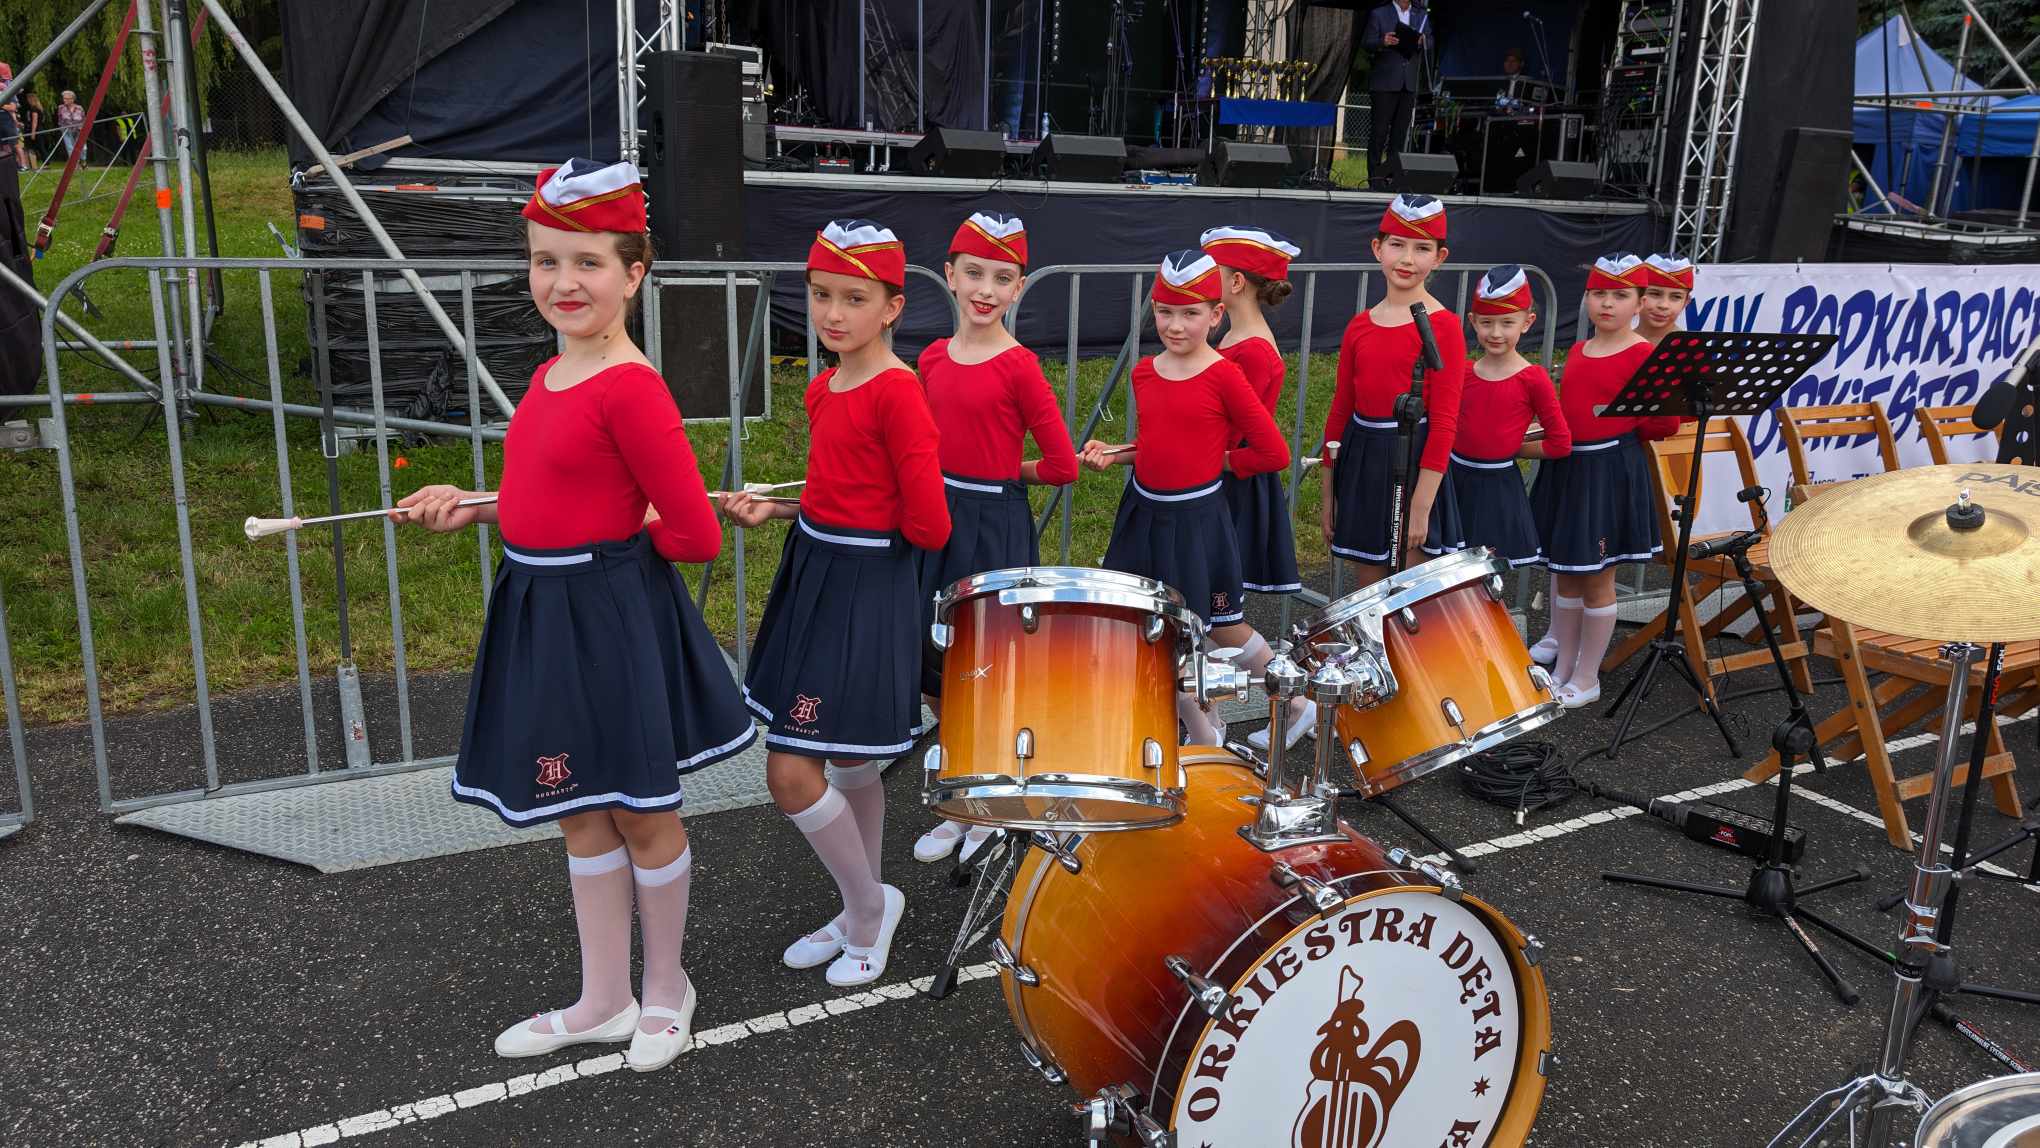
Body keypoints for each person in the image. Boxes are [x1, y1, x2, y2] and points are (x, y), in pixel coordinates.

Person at [395, 159, 758, 1072]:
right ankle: (603, 1000)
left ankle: (666, 989)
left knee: (640, 811)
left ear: (635, 274)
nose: (563, 282)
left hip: (609, 618)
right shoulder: (552, 371)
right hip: (542, 613)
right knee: (578, 811)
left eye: (588, 262)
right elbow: (543, 496)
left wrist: (626, 533)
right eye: (545, 260)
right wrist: (471, 507)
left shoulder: (631, 387)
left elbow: (696, 535)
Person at [719, 220, 949, 988]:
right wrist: (780, 510)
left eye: (855, 298)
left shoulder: (899, 393)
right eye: (821, 295)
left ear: (893, 307)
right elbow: (835, 496)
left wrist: (860, 532)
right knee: (848, 756)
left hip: (866, 587)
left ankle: (871, 906)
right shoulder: (824, 387)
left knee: (790, 772)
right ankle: (859, 910)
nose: (832, 313)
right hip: (815, 572)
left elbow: (930, 524)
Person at [909, 210, 1077, 864]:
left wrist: (1005, 472)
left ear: (1018, 288)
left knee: (987, 668)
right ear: (949, 275)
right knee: (934, 666)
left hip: (992, 529)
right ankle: (962, 790)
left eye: (1001, 278)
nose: (985, 289)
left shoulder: (1020, 367)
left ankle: (992, 801)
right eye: (973, 273)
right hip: (935, 522)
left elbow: (1061, 465)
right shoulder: (930, 358)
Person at [1078, 249, 1290, 747]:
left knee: (1208, 629)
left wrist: (1213, 461)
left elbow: (1273, 452)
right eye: (1165, 312)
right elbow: (1155, 443)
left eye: (1190, 313)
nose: (1175, 325)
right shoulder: (1145, 371)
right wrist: (1115, 453)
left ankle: (1279, 704)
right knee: (1151, 628)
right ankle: (1203, 731)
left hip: (1197, 521)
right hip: (1143, 514)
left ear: (1216, 315)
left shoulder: (1224, 374)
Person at [1527, 253, 1681, 708]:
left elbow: (1665, 423)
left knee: (1597, 577)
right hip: (1570, 470)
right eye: (1598, 294)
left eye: (1619, 295)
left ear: (1639, 302)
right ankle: (1563, 668)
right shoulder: (1579, 350)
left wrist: (1620, 428)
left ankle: (1587, 676)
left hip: (1609, 473)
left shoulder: (1644, 353)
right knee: (1567, 574)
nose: (1607, 304)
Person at [1199, 224, 1318, 753]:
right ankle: (1208, 722)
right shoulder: (1234, 339)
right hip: (1220, 480)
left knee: (1220, 614)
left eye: (1212, 273)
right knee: (1203, 611)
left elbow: (1233, 434)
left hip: (1231, 485)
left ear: (1236, 283)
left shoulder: (1251, 351)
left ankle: (1294, 701)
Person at [1320, 193, 1466, 588]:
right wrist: (1329, 493)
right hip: (1364, 465)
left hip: (1416, 465)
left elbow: (1445, 421)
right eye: (1397, 245)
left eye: (1422, 249)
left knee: (1413, 591)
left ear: (1440, 257)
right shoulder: (1359, 326)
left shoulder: (1444, 327)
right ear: (1377, 248)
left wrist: (1421, 506)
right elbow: (1340, 411)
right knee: (1370, 590)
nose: (1407, 259)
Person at [1451, 265, 1570, 570]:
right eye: (1486, 322)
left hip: (1499, 488)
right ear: (1472, 321)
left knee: (1490, 575)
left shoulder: (1533, 379)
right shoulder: (1462, 372)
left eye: (1507, 323)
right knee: (1449, 570)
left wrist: (1510, 448)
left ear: (1527, 322)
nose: (1495, 333)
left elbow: (1560, 443)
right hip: (1453, 482)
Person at [1362, 0, 1429, 182]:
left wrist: (1423, 41)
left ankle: (1392, 178)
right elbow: (1367, 43)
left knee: (1399, 135)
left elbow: (1430, 42)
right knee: (1379, 132)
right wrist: (1382, 41)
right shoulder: (1379, 13)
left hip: (1409, 83)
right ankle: (1375, 179)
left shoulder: (1421, 15)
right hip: (1384, 82)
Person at [1638, 253, 1694, 345]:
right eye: (1655, 294)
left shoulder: (1691, 348)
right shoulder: (1616, 343)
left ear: (1686, 302)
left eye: (1676, 297)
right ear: (1638, 296)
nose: (1663, 305)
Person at [55, 90, 84, 161]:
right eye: (64, 98)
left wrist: (82, 128)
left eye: (67, 99)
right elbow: (60, 119)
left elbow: (83, 119)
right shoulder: (61, 108)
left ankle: (83, 160)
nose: (65, 100)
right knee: (70, 147)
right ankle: (74, 163)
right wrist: (62, 128)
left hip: (78, 130)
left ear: (72, 99)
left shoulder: (79, 108)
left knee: (83, 148)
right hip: (66, 130)